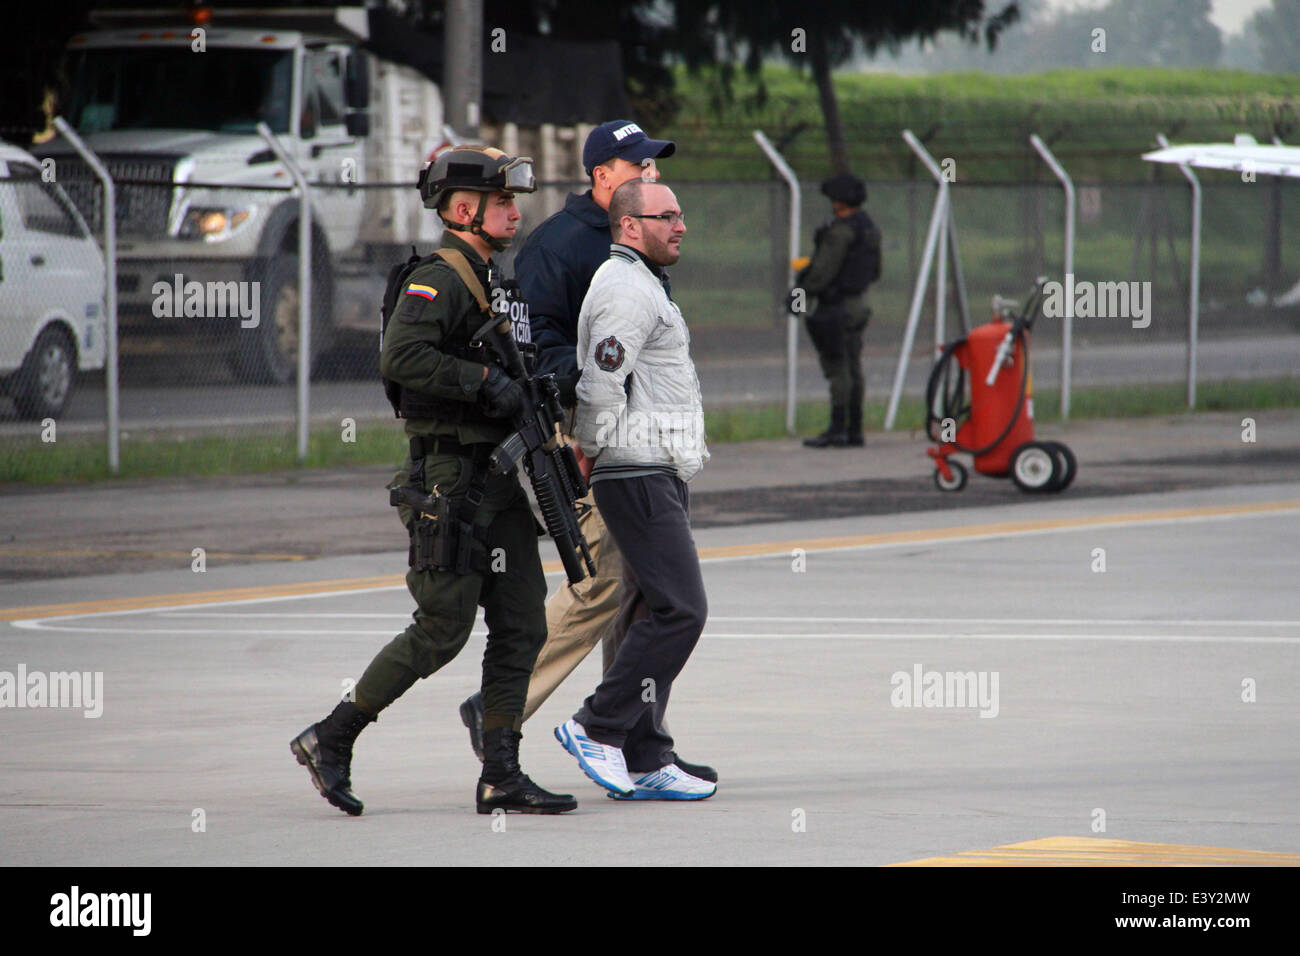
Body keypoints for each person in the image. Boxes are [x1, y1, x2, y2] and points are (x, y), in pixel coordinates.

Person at [290, 146, 575, 816]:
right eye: (503, 201)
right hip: (448, 477)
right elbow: (404, 356)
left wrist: (537, 385)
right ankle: (332, 736)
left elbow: (505, 363)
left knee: (521, 624)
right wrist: (485, 383)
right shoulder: (439, 279)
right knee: (442, 627)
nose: (514, 212)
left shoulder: (488, 277)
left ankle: (501, 772)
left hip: (497, 474)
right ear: (464, 208)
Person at [456, 121, 717, 785]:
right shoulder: (566, 245)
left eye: (654, 168)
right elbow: (535, 343)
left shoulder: (636, 241)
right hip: (584, 434)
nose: (651, 177)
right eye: (638, 168)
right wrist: (584, 423)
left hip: (630, 436)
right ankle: (505, 709)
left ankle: (642, 743)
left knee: (642, 592)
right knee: (609, 586)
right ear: (602, 176)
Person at [554, 178, 715, 801]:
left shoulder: (643, 282)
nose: (679, 225)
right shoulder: (623, 288)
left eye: (681, 213)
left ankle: (646, 754)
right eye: (665, 215)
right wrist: (591, 455)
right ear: (628, 225)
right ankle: (596, 725)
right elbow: (600, 384)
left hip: (658, 465)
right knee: (682, 609)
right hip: (634, 468)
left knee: (650, 608)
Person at [796, 171, 882, 448]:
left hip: (838, 307)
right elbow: (876, 271)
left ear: (840, 201)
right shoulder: (869, 229)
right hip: (859, 303)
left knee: (838, 368)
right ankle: (854, 430)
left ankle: (839, 429)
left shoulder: (842, 231)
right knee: (854, 367)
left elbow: (822, 270)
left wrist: (800, 292)